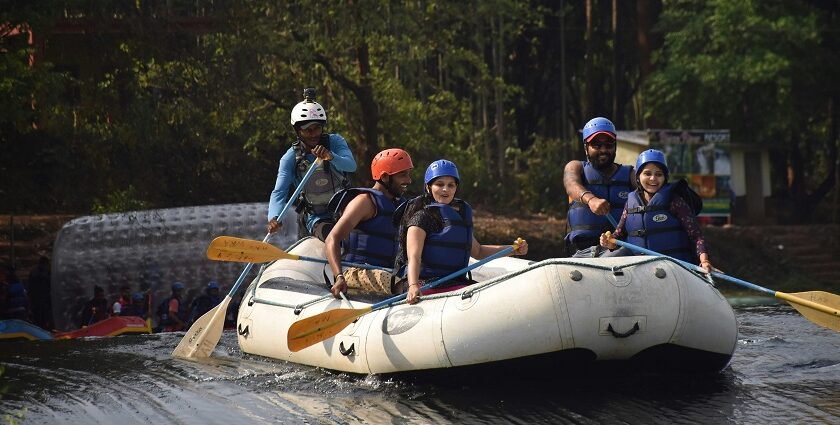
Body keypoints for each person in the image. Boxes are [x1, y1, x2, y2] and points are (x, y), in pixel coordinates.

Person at [395, 160, 529, 305]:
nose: (445, 189)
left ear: (455, 188)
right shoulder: (420, 218)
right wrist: (413, 285)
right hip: (426, 284)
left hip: (455, 283)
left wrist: (513, 249)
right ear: (428, 187)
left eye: (450, 185)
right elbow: (414, 257)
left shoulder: (459, 216)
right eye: (439, 184)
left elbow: (478, 251)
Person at [598, 149, 714, 272]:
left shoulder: (675, 201)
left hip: (673, 268)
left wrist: (704, 261)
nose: (653, 178)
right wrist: (609, 243)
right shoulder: (630, 202)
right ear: (638, 176)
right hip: (639, 269)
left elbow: (696, 237)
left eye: (659, 174)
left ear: (665, 177)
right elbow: (618, 235)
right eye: (647, 173)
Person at [267, 88, 357, 241]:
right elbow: (279, 192)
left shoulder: (335, 142)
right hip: (316, 218)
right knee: (334, 239)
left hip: (345, 211)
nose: (314, 134)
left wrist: (331, 156)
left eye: (317, 128)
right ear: (298, 131)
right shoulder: (290, 158)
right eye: (308, 130)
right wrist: (274, 217)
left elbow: (351, 166)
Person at [325, 148, 414, 298]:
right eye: (403, 175)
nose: (409, 181)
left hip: (388, 272)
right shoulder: (364, 201)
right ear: (385, 177)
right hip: (355, 272)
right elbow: (332, 239)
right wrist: (339, 276)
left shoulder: (399, 205)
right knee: (405, 286)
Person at [563, 117, 634, 256]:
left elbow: (650, 191)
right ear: (586, 148)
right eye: (596, 145)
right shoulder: (576, 167)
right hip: (581, 252)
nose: (603, 150)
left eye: (608, 145)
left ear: (615, 147)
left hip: (619, 251)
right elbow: (571, 184)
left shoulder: (631, 174)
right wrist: (591, 199)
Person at [27, 256, 53, 329]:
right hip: (45, 298)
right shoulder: (47, 271)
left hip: (35, 298)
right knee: (45, 317)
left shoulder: (33, 271)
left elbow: (30, 286)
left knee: (37, 317)